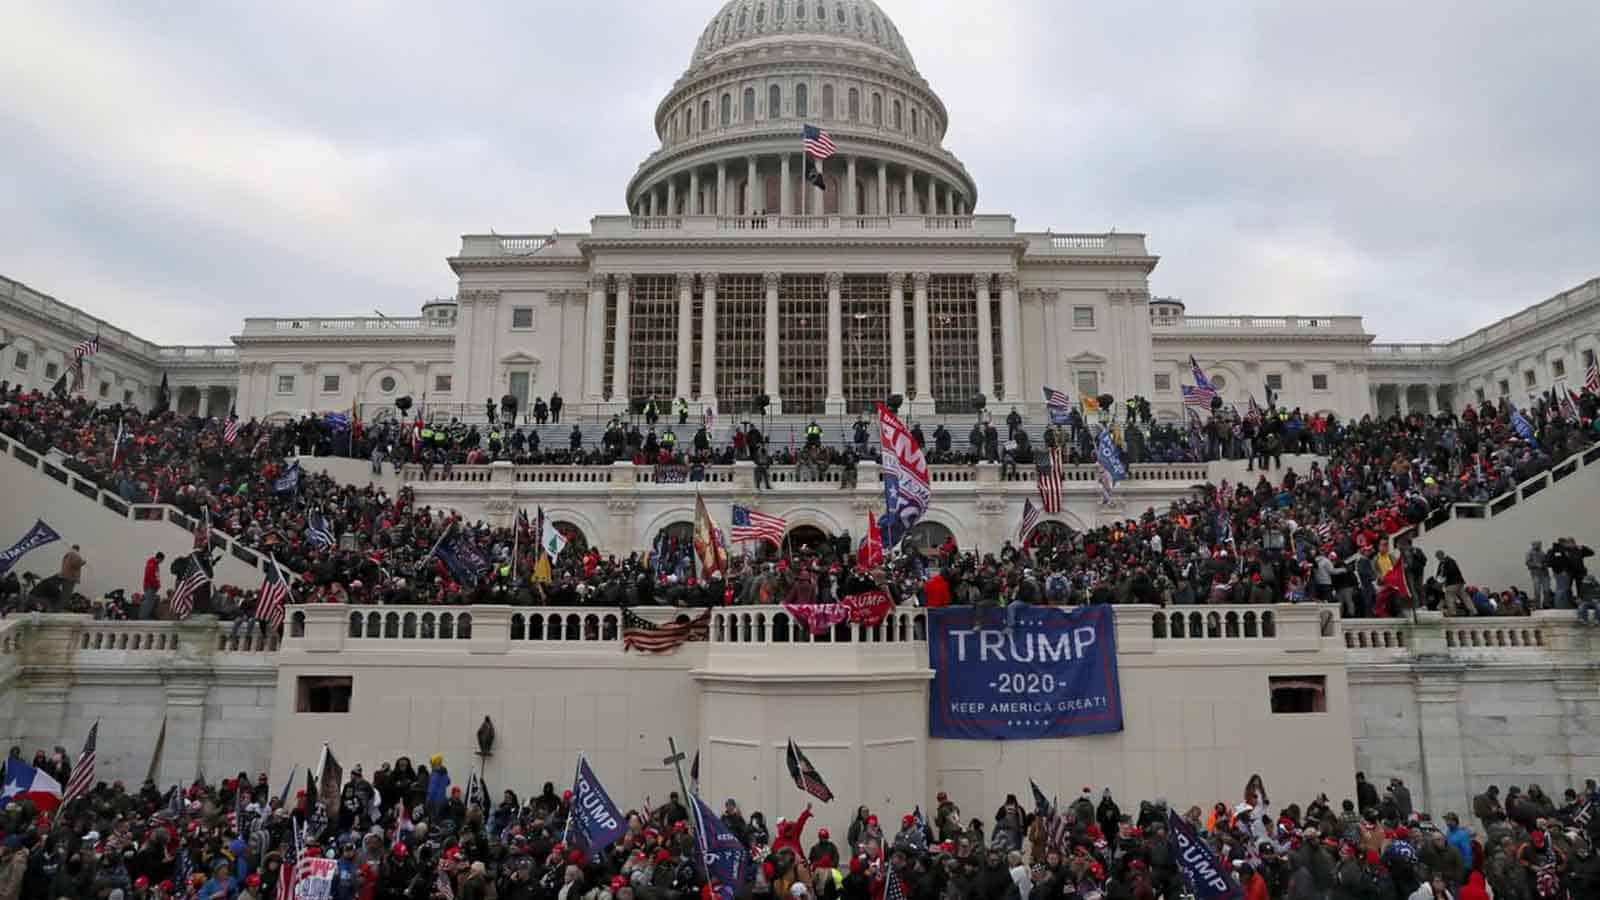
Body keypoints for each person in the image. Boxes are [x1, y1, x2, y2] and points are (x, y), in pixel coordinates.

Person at [1435, 550, 1470, 616]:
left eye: (1438, 557)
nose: (1437, 559)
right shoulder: (1446, 562)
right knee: (1464, 596)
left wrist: (1440, 580)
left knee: (1449, 596)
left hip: (1453, 583)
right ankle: (1473, 611)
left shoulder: (1448, 561)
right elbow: (1439, 573)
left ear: (1441, 555)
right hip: (1459, 582)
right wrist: (1438, 579)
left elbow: (1448, 572)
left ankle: (1452, 612)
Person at [141, 551, 165, 620]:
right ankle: (143, 617)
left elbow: (156, 576)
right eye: (162, 560)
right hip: (150, 586)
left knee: (151, 602)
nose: (162, 562)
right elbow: (150, 576)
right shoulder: (151, 564)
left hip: (153, 587)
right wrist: (155, 585)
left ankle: (147, 615)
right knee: (148, 602)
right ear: (159, 558)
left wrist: (158, 584)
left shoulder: (155, 564)